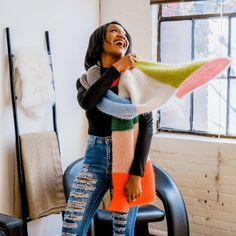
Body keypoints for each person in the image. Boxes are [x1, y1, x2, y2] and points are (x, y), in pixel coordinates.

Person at [62, 21, 153, 236]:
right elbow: (89, 102)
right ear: (98, 41)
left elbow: (148, 125)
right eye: (114, 31)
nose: (122, 35)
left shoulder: (136, 81)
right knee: (70, 229)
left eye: (125, 34)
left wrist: (136, 175)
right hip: (94, 161)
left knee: (122, 232)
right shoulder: (85, 82)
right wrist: (116, 69)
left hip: (128, 160)